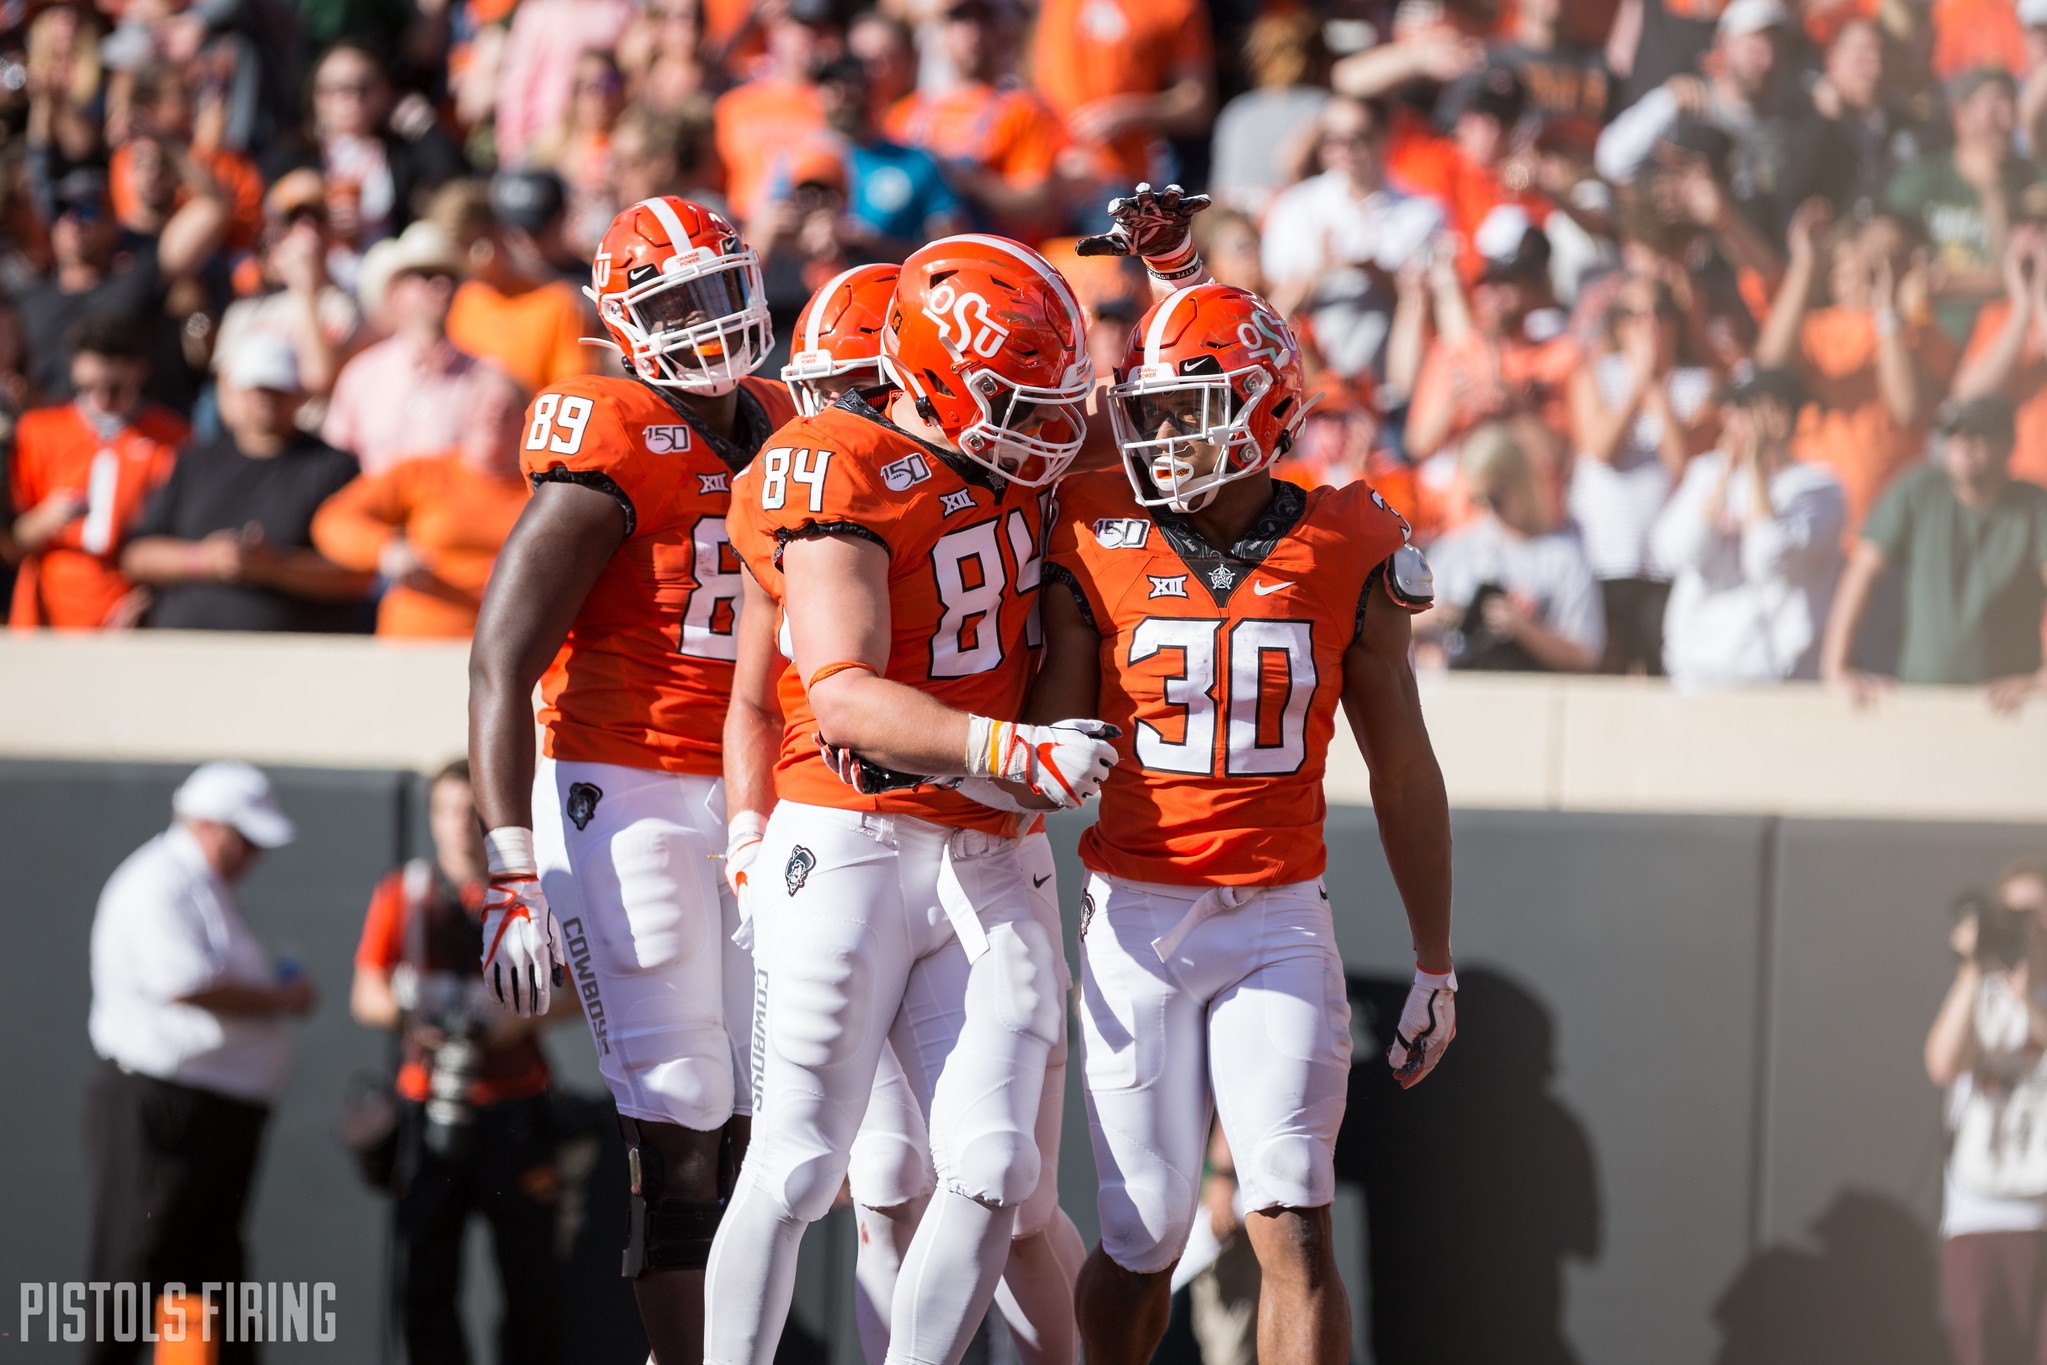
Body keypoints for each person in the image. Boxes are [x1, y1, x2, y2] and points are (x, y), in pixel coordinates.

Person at [1022, 199, 1454, 1365]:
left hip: (1274, 917)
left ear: (1266, 414)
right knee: (1144, 1232)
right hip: (1137, 915)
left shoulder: (1348, 538)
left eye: (1189, 415)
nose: (1162, 437)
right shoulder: (1095, 521)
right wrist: (1175, 271)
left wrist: (1433, 958)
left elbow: (1402, 764)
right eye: (1152, 413)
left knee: (1291, 1222)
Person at [705, 233, 1116, 1365]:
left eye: (1053, 404)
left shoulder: (1037, 464)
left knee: (996, 1168)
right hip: (851, 840)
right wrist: (1014, 745)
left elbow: (1173, 433)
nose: (1044, 431)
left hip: (987, 844)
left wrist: (1174, 280)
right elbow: (836, 695)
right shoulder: (838, 463)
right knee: (801, 1164)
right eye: (1015, 403)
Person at [467, 195, 794, 1365]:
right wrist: (510, 872)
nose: (708, 325)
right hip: (628, 783)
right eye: (675, 306)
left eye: (718, 292)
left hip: (759, 782)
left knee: (774, 1114)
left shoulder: (781, 413)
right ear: (620, 324)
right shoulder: (602, 434)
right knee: (682, 1106)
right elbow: (501, 660)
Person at [85, 761, 313, 1365]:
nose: (255, 856)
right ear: (210, 826)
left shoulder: (203, 887)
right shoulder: (159, 881)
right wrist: (281, 1000)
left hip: (212, 1111)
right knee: (135, 1271)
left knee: (212, 1278)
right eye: (247, 840)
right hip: (166, 1108)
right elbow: (181, 983)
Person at [351, 759, 562, 1365]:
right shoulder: (405, 893)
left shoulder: (530, 894)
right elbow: (365, 992)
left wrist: (514, 1022)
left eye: (472, 813)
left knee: (530, 1282)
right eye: (445, 810)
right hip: (427, 1104)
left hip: (515, 1107)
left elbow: (575, 991)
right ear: (431, 818)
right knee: (425, 1279)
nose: (459, 826)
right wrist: (414, 1022)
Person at [120, 336, 369, 632]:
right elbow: (137, 556)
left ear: (298, 394)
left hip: (289, 661)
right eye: (257, 389)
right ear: (235, 392)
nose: (266, 399)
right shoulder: (193, 461)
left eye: (278, 389)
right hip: (185, 653)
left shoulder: (332, 467)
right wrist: (205, 559)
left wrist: (276, 568)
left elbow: (358, 572)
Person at [1821, 395, 2047, 707]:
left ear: (2008, 442)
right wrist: (1836, 667)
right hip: (1922, 701)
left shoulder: (2035, 506)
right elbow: (1863, 568)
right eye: (1954, 432)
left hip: (2004, 707)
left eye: (1979, 431)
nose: (1965, 442)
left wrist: (2042, 679)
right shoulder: (1919, 489)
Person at [1756, 203, 1956, 544]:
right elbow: (1768, 369)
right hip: (1813, 531)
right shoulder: (1820, 327)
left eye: (1893, 255)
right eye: (1871, 251)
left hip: (1886, 537)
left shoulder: (1926, 337)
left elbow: (1907, 407)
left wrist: (1889, 311)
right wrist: (1805, 267)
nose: (1875, 265)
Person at [1650, 368, 1847, 686]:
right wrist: (1725, 473)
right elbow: (1676, 553)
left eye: (1743, 408)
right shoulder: (1707, 473)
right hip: (1694, 673)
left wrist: (1755, 464)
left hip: (1774, 681)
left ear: (1780, 417)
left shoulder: (1819, 488)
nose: (1729, 418)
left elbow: (1767, 556)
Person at [1925, 863, 2047, 1365]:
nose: (2030, 924)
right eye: (2016, 914)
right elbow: (1943, 1063)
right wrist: (1974, 967)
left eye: (2039, 913)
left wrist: (2028, 998)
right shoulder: (1979, 995)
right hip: (1980, 1215)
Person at [1566, 273, 1719, 673]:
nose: (1648, 324)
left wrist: (1657, 387)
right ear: (1618, 324)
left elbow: (1683, 464)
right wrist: (1638, 383)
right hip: (1605, 556)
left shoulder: (1700, 384)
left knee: (1658, 670)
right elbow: (1602, 449)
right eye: (1634, 315)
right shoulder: (1594, 375)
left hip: (1665, 564)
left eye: (1659, 313)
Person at [310, 366, 529, 637]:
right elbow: (332, 520)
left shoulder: (539, 490)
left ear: (526, 421)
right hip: (418, 644)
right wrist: (386, 549)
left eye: (508, 407)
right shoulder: (422, 472)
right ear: (465, 414)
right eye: (484, 404)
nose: (494, 414)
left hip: (504, 649)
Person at [8, 313, 188, 629]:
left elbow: (181, 533)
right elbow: (14, 540)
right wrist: (48, 517)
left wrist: (149, 594)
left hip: (128, 608)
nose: (100, 399)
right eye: (87, 386)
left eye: (114, 387)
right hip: (48, 606)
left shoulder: (173, 439)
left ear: (139, 372)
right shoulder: (39, 431)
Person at [1258, 95, 1444, 383]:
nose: (1343, 150)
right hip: (1311, 378)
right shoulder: (1296, 206)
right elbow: (1272, 297)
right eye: (1332, 140)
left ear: (1384, 137)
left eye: (1357, 137)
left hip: (1390, 373)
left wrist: (1375, 273)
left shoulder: (1421, 213)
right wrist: (1323, 271)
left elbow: (1432, 309)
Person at [1416, 421, 1606, 673]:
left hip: (1533, 695)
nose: (1487, 510)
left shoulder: (1564, 557)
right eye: (1476, 500)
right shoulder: (1456, 550)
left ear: (1520, 484)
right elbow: (1395, 635)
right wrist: (1433, 620)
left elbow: (1586, 655)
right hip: (1461, 691)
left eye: (1495, 498)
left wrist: (1522, 628)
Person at [882, 0, 1067, 240]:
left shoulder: (1023, 109)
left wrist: (965, 180)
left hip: (996, 260)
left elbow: (1037, 205)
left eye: (985, 20)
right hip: (915, 256)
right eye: (960, 20)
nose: (974, 33)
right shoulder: (905, 113)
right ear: (941, 34)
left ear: (1002, 32)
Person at [323, 221, 496, 475]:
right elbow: (334, 467)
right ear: (395, 291)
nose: (440, 285)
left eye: (449, 277)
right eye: (424, 275)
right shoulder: (362, 376)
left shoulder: (488, 379)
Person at [1030, 0, 1216, 221]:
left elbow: (1195, 103)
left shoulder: (1173, 6)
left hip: (1123, 181)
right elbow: (1031, 75)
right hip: (1045, 179)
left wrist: (1128, 114)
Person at [212, 169, 364, 432]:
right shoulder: (245, 311)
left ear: (331, 229)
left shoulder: (350, 306)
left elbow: (319, 378)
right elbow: (231, 407)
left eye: (317, 218)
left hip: (315, 445)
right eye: (294, 219)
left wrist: (306, 290)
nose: (307, 230)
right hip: (256, 445)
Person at [432, 175, 595, 393]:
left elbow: (574, 394)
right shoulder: (461, 301)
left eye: (474, 243)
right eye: (459, 248)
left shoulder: (558, 304)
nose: (471, 259)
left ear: (498, 235)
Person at [1952, 224, 2047, 490]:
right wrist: (2022, 310)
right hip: (2010, 492)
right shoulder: (1997, 316)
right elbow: (1969, 397)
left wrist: (2042, 305)